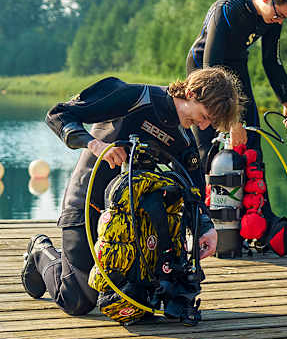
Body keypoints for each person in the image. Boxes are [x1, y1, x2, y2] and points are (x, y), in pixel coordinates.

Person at [20, 67, 243, 316]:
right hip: (86, 202)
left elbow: (194, 192)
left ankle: (78, 262)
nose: (202, 126)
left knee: (137, 298)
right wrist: (96, 145)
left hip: (128, 225)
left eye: (209, 123)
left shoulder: (184, 140)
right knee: (78, 300)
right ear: (191, 93)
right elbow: (58, 114)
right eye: (203, 116)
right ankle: (40, 250)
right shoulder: (134, 98)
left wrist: (206, 227)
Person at [187, 0, 287, 160]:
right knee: (206, 145)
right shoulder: (228, 9)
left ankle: (254, 188)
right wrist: (231, 121)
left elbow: (272, 61)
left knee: (252, 140)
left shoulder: (272, 18)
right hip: (204, 69)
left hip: (236, 66)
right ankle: (201, 185)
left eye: (285, 18)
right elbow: (211, 68)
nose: (280, 21)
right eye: (279, 15)